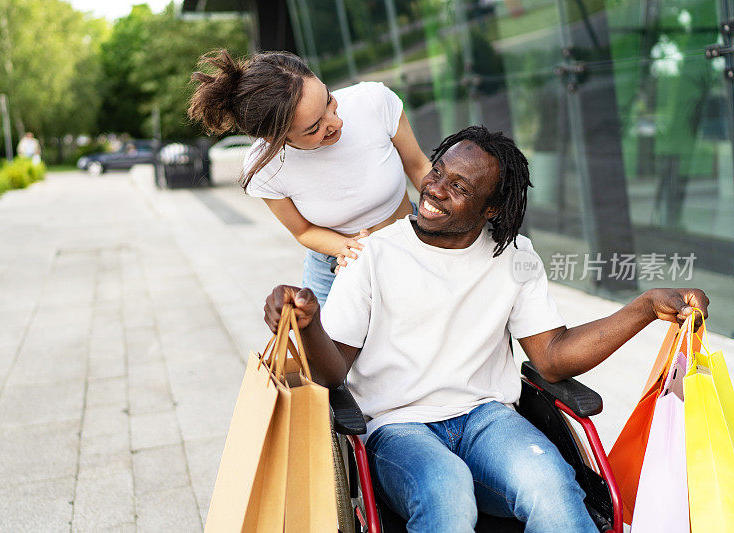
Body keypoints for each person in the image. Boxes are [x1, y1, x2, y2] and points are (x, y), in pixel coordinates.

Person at [262, 125, 710, 532]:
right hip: (398, 425)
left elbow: (552, 358)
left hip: (487, 417)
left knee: (553, 486)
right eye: (437, 172)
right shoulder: (372, 255)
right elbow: (333, 373)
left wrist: (644, 307)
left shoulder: (514, 257)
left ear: (492, 208)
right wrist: (308, 325)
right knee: (447, 489)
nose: (433, 190)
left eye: (459, 187)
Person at [188, 50, 431, 305]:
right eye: (314, 128)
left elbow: (418, 166)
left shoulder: (373, 101)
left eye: (328, 100)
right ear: (275, 139)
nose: (336, 123)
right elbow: (303, 231)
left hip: (411, 243)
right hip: (334, 271)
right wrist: (348, 249)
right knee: (332, 344)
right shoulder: (264, 167)